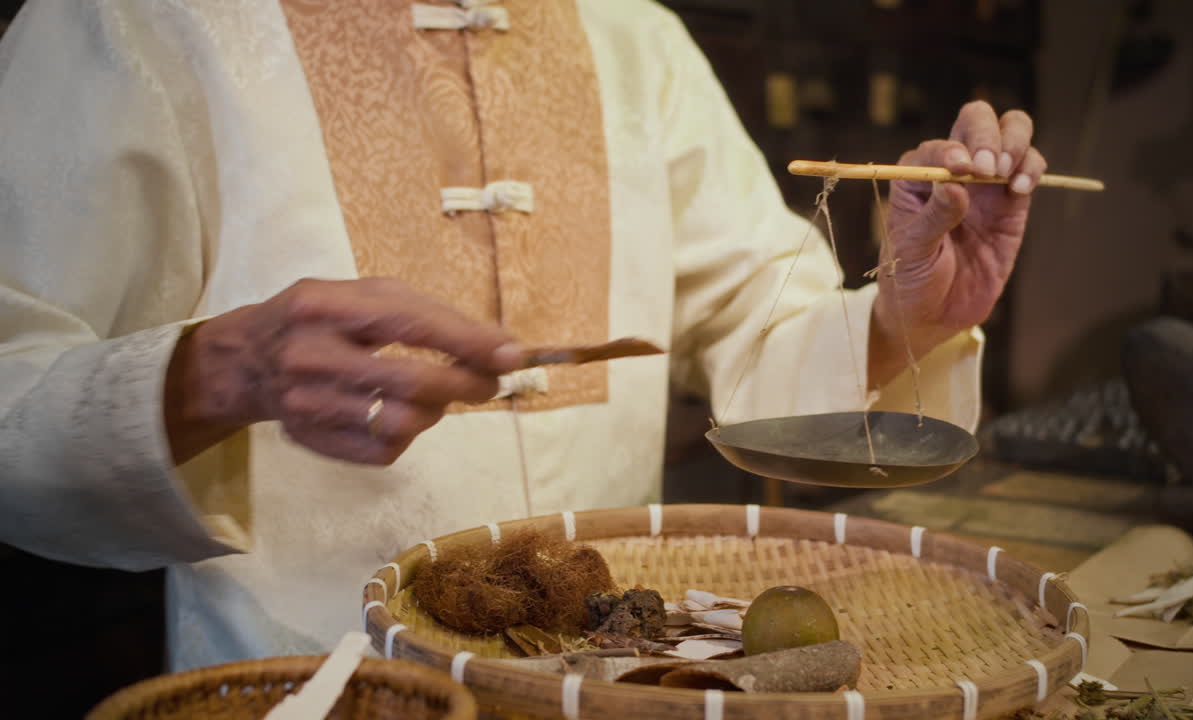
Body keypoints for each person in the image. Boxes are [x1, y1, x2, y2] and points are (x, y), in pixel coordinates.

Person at [0, 0, 1045, 670]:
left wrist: (907, 313)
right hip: (307, 681)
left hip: (619, 680)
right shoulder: (134, 20)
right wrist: (217, 371)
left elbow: (762, 331)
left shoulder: (633, 37)